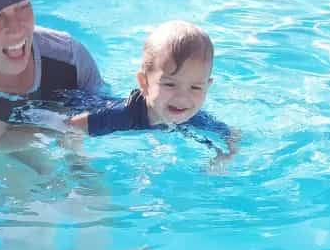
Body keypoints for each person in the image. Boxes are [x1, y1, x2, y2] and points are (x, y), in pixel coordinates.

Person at [68, 20, 239, 160]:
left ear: (207, 87)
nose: (183, 97)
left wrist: (224, 156)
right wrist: (78, 161)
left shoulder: (192, 116)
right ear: (144, 83)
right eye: (170, 84)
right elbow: (72, 126)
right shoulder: (122, 115)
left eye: (195, 87)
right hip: (73, 101)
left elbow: (232, 135)